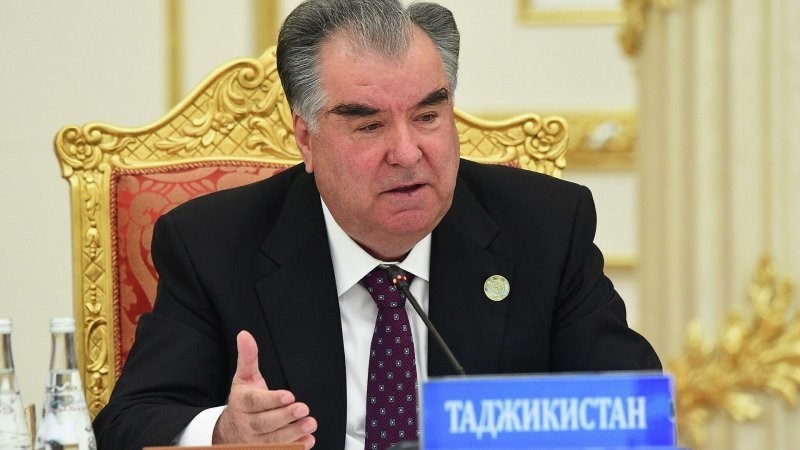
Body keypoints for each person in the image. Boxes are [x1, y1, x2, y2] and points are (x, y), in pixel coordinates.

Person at [92, 0, 661, 449]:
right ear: (306, 139)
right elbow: (128, 422)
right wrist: (225, 433)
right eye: (369, 126)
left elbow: (633, 412)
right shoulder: (213, 244)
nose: (408, 153)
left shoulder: (544, 227)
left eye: (428, 116)